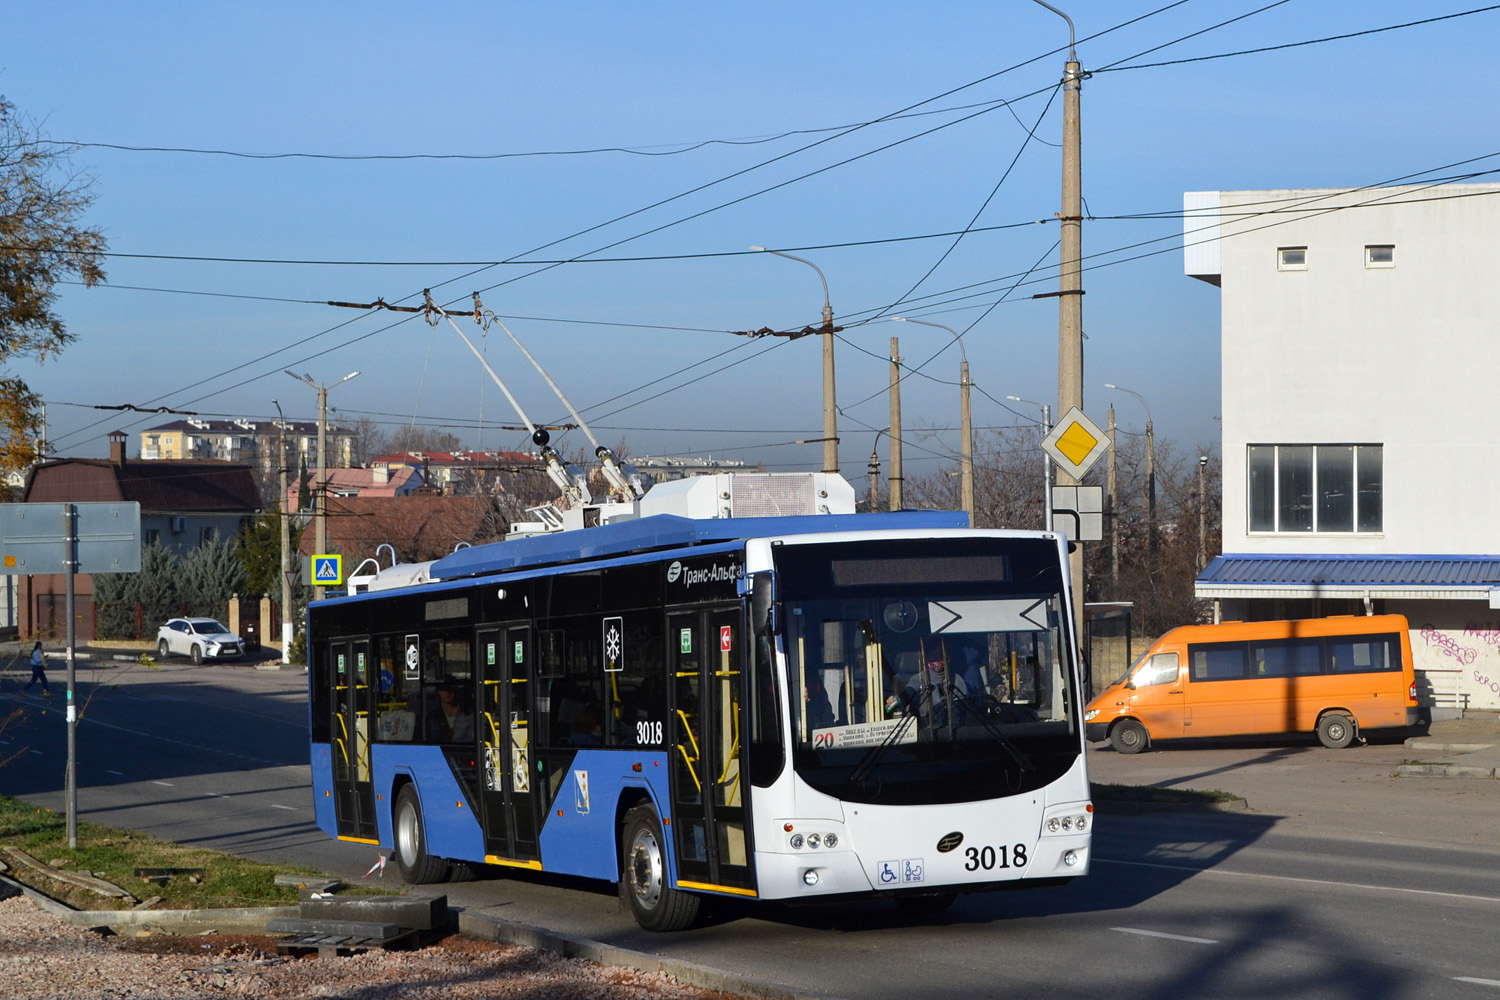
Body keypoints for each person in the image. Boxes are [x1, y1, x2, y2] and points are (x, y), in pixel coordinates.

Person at [427, 678, 473, 744]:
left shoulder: (467, 712)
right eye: (444, 689)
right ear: (438, 691)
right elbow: (435, 741)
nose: (448, 693)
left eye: (451, 689)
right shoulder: (433, 717)